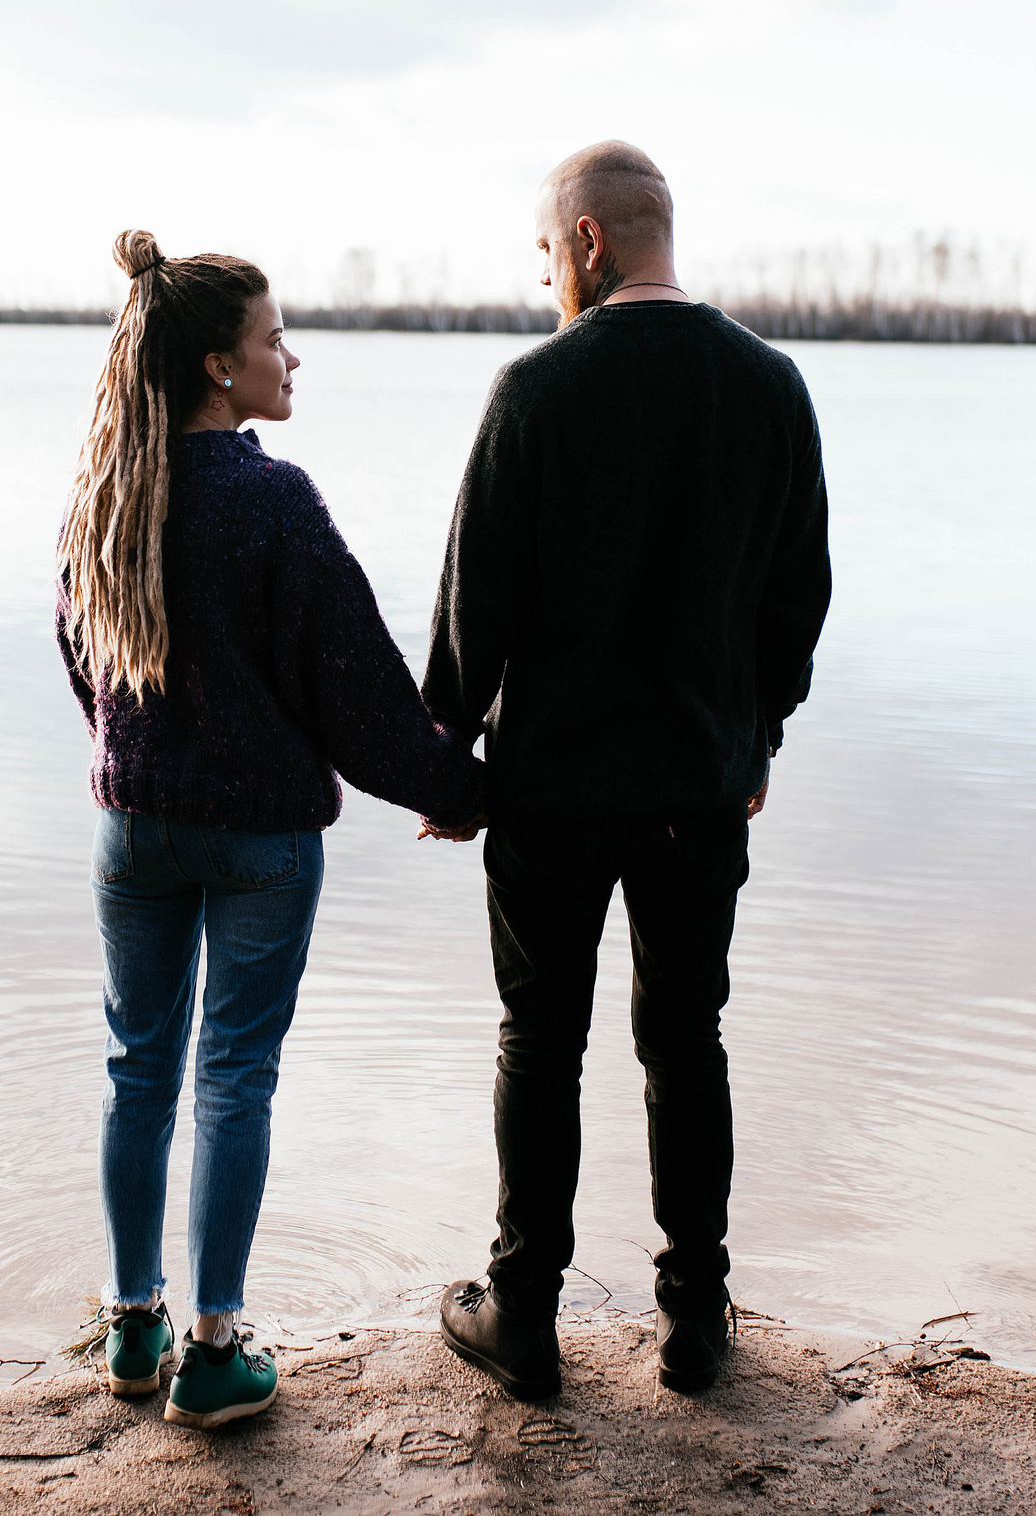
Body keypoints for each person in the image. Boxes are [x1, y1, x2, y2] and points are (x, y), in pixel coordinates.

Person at [421, 142, 832, 1398]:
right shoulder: (770, 386)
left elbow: (471, 604)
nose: (547, 275)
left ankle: (526, 1318)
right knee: (685, 1039)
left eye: (549, 252)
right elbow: (797, 594)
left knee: (540, 1042)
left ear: (589, 243)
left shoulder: (537, 388)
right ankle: (695, 1321)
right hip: (699, 793)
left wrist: (446, 754)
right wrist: (758, 732)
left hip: (549, 792)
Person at [57, 229, 485, 1429]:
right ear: (214, 367)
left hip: (132, 827)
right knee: (230, 1079)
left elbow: (80, 659)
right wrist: (454, 791)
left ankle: (131, 1330)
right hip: (257, 843)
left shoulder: (106, 494)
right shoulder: (271, 501)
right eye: (273, 339)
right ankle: (214, 1350)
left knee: (136, 1069)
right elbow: (353, 688)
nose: (292, 359)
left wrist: (133, 751)